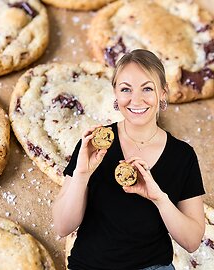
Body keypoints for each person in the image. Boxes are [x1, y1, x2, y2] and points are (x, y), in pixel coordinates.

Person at [52, 49, 205, 269]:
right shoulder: (93, 145)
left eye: (147, 89)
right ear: (115, 93)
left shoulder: (182, 156)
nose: (136, 100)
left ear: (163, 93)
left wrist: (159, 198)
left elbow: (191, 241)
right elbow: (62, 226)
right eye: (126, 89)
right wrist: (82, 175)